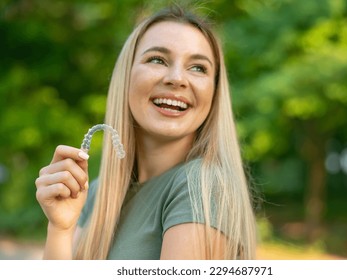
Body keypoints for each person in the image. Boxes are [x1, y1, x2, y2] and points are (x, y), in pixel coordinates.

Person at [35, 5, 257, 260]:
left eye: (198, 67)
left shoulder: (201, 186)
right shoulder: (96, 193)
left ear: (215, 92)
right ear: (126, 76)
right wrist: (60, 229)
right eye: (157, 59)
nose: (177, 78)